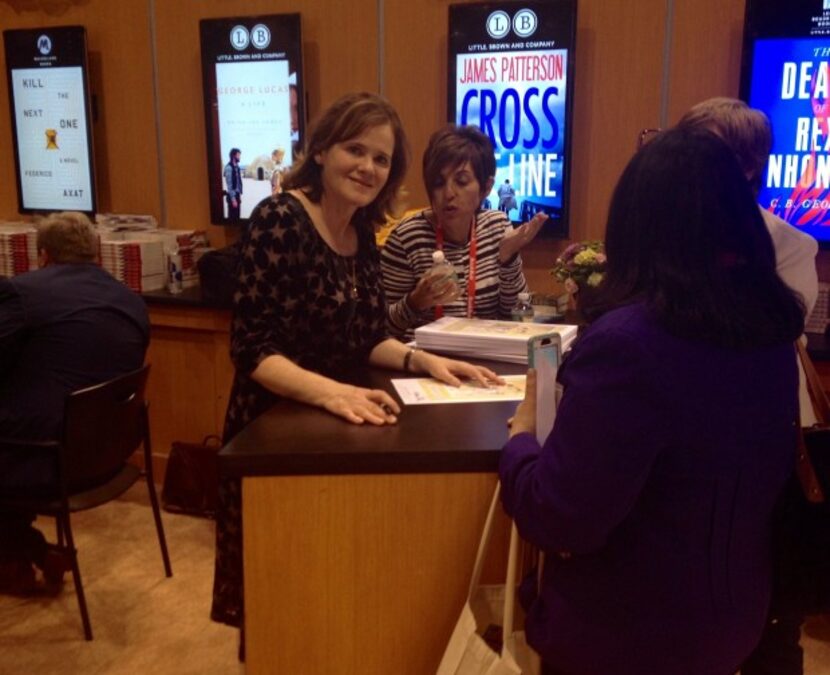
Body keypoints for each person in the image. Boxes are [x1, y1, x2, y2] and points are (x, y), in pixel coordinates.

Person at [500, 128, 805, 675]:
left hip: (625, 637)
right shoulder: (772, 334)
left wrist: (522, 437)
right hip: (732, 625)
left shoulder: (629, 345)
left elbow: (559, 516)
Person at [211, 94, 499, 634]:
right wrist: (333, 393)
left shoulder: (362, 232)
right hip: (273, 431)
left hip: (333, 428)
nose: (367, 167)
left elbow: (364, 338)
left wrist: (424, 360)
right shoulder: (279, 218)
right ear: (321, 149)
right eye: (355, 149)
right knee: (280, 601)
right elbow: (252, 349)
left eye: (382, 158)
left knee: (329, 593)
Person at [677, 96, 820, 675]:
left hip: (766, 440)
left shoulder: (788, 245)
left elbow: (771, 329)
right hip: (688, 439)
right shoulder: (667, 233)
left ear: (749, 167)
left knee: (767, 600)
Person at [0, 211, 149, 595]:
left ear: (44, 255)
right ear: (96, 253)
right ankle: (22, 551)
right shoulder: (132, 303)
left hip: (42, 460)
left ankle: (19, 553)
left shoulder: (23, 294)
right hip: (107, 458)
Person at [380, 125, 546, 341]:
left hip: (483, 357)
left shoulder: (497, 226)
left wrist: (508, 259)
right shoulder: (406, 238)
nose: (448, 193)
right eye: (438, 183)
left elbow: (514, 319)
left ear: (486, 188)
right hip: (425, 360)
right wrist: (414, 302)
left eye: (461, 181)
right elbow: (382, 330)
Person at [224, 147, 243, 220]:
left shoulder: (237, 167)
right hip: (233, 196)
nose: (239, 157)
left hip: (237, 195)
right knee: (232, 219)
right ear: (233, 156)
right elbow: (229, 185)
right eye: (238, 155)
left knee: (237, 218)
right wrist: (233, 199)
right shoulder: (229, 167)